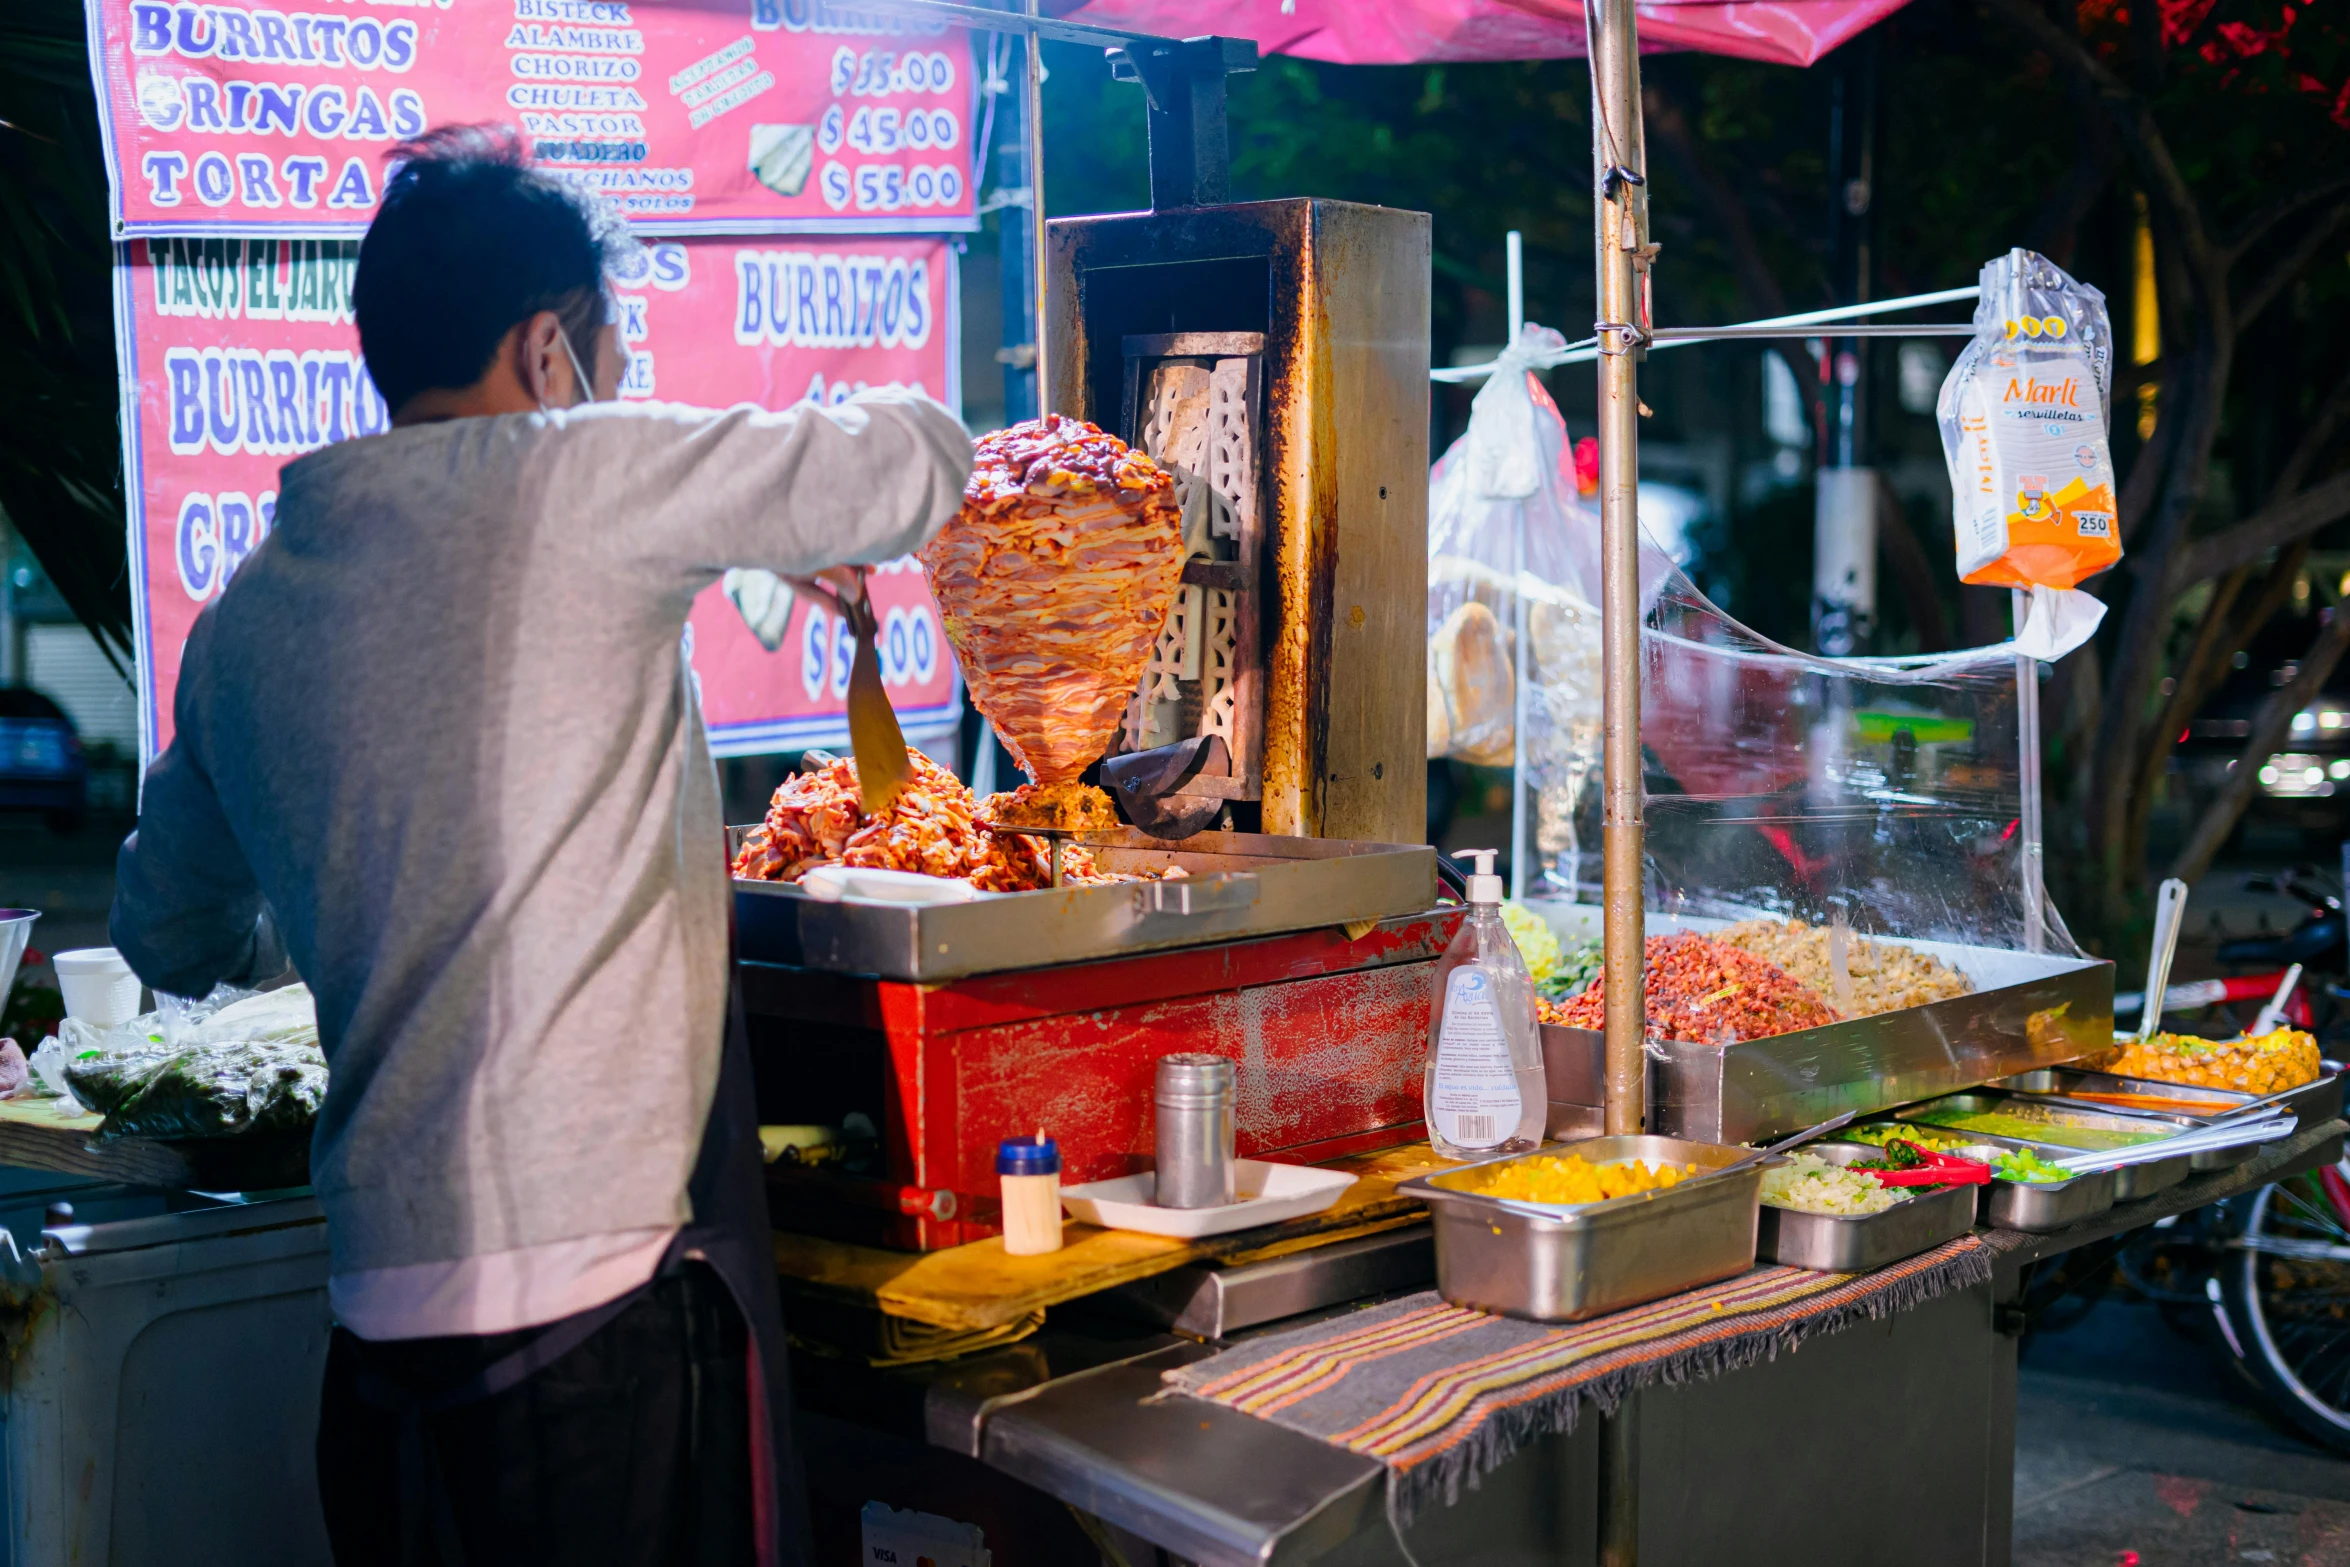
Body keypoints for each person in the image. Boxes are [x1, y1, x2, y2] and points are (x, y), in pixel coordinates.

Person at [107, 124, 972, 1566]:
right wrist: (724, 505)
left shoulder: (249, 615)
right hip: (595, 1324)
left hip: (376, 1337)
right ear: (541, 350)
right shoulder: (580, 474)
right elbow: (915, 461)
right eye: (609, 344)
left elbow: (168, 934)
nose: (621, 376)